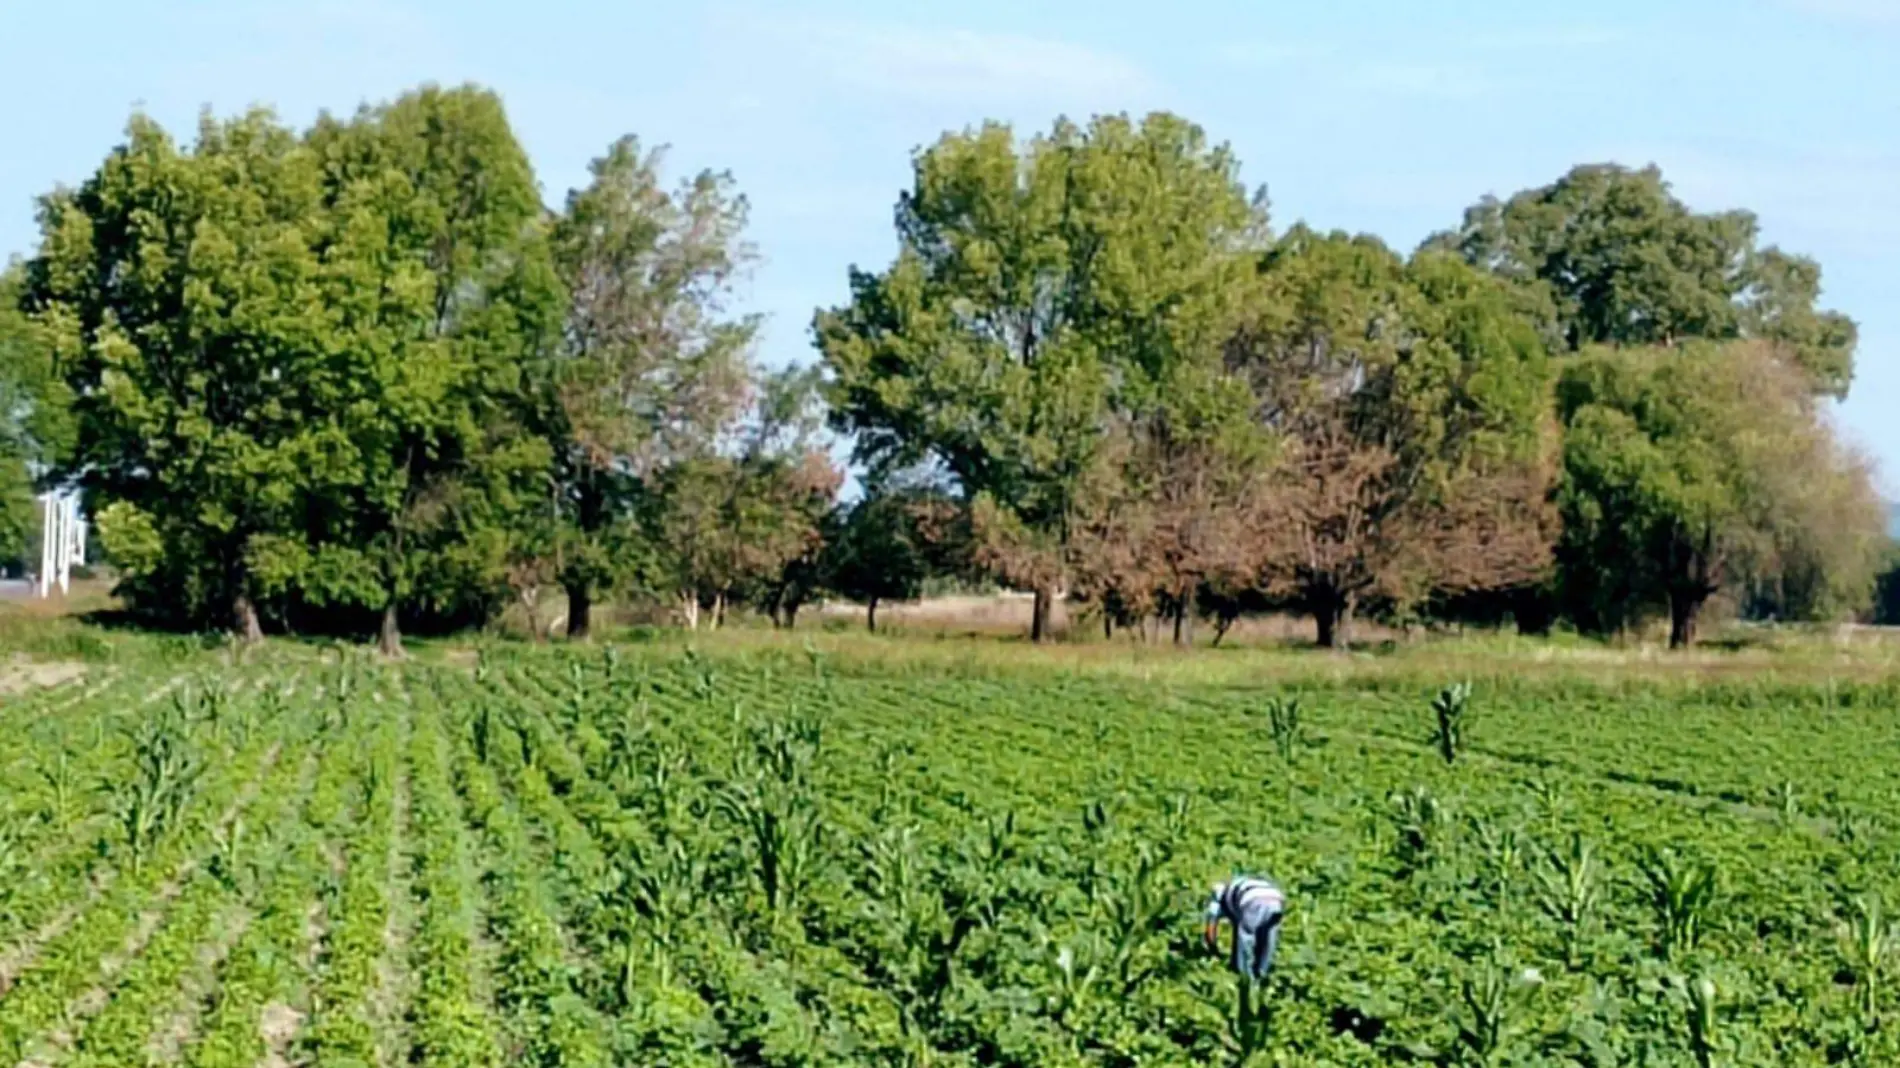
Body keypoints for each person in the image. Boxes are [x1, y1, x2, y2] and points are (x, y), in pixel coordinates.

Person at [1204, 874, 1285, 982]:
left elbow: (1210, 928)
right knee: (1267, 940)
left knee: (1245, 940)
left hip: (1253, 900)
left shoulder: (1217, 899)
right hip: (1276, 899)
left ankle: (1244, 978)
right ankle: (1261, 975)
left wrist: (1213, 950)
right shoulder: (1237, 887)